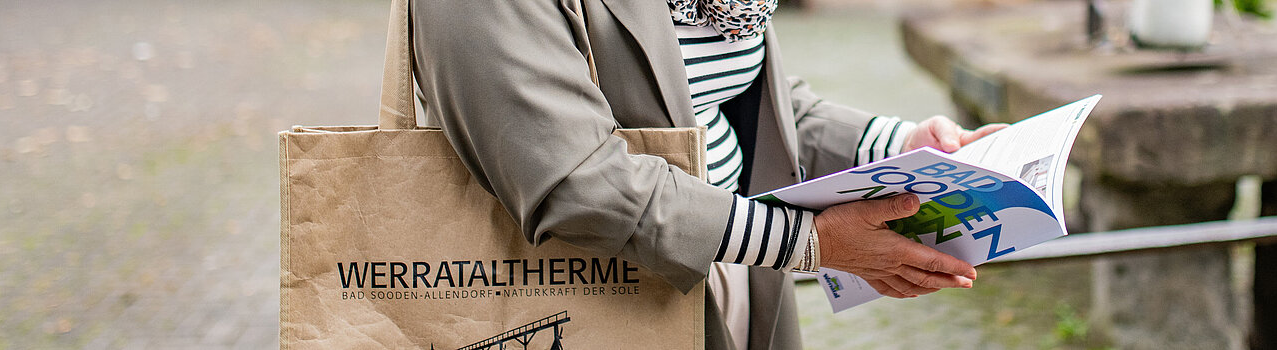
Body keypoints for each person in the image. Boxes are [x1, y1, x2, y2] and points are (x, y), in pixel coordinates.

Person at [410, 0, 1006, 348]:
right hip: (578, 293)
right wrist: (809, 243)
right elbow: (574, 181)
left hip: (741, 266)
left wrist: (900, 144)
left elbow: (734, 93)